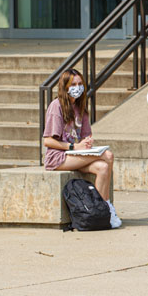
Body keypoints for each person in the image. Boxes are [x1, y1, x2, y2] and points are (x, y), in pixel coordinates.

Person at [42, 69, 120, 228]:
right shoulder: (56, 107)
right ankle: (107, 209)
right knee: (108, 156)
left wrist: (87, 143)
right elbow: (47, 141)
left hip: (75, 155)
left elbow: (85, 136)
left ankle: (99, 211)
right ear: (65, 87)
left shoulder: (81, 109)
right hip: (58, 158)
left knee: (103, 167)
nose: (77, 88)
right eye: (73, 85)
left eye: (80, 84)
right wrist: (74, 146)